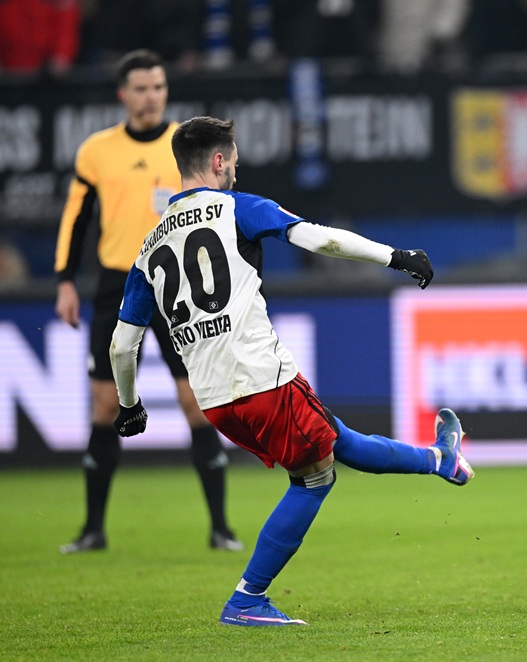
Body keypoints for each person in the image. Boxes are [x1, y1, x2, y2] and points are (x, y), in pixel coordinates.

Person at [109, 115, 475, 626]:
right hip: (261, 377)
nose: (236, 169)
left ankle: (440, 459)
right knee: (314, 478)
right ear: (218, 161)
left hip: (214, 399)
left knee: (335, 439)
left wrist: (129, 406)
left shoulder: (148, 248)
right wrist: (396, 257)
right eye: (233, 160)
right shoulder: (238, 207)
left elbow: (124, 345)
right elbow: (321, 241)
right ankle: (246, 599)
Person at [54, 50, 242, 554]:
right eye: (141, 88)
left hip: (176, 283)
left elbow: (222, 209)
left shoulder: (185, 146)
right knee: (104, 403)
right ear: (123, 94)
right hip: (117, 284)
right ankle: (93, 530)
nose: (151, 96)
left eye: (158, 87)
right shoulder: (97, 150)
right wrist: (65, 280)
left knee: (195, 402)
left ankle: (221, 528)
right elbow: (75, 218)